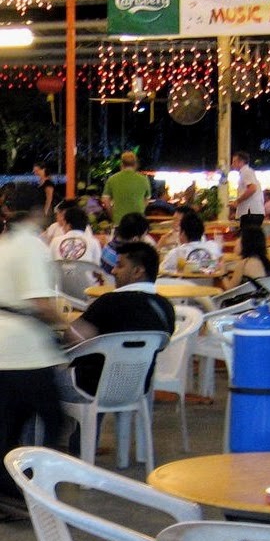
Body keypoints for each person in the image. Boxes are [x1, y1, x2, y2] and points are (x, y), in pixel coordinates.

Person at [59, 242, 175, 453]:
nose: (113, 271)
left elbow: (72, 337)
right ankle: (81, 447)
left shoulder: (109, 302)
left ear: (138, 271)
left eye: (120, 266)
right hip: (137, 387)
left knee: (36, 381)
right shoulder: (165, 307)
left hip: (86, 386)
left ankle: (33, 450)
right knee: (103, 372)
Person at [0, 209, 65, 510]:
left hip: (7, 347)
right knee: (53, 418)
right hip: (27, 350)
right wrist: (67, 327)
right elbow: (39, 301)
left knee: (11, 422)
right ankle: (35, 485)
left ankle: (12, 487)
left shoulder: (5, 243)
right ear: (39, 212)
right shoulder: (31, 246)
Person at [220, 226, 270, 291]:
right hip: (269, 299)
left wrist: (223, 273)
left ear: (246, 243)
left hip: (252, 300)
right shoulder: (269, 264)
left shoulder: (244, 263)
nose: (235, 242)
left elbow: (230, 289)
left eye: (238, 238)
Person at [102, 151, 151, 226]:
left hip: (119, 221)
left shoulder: (112, 179)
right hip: (138, 222)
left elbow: (105, 200)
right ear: (135, 164)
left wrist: (112, 216)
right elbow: (147, 199)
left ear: (122, 164)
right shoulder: (143, 179)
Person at [231, 151, 265, 228]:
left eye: (234, 161)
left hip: (250, 212)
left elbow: (252, 188)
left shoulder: (246, 172)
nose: (232, 164)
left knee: (248, 237)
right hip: (254, 211)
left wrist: (237, 201)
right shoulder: (248, 172)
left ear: (241, 162)